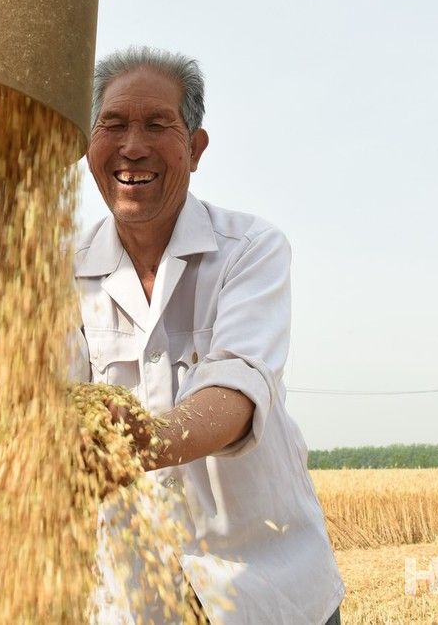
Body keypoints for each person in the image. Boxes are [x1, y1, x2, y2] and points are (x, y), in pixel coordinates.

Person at [71, 46, 344, 624]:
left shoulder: (250, 250)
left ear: (195, 149)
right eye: (112, 125)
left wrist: (140, 440)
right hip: (131, 602)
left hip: (264, 589)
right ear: (88, 145)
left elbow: (237, 391)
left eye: (157, 125)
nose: (132, 146)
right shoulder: (55, 274)